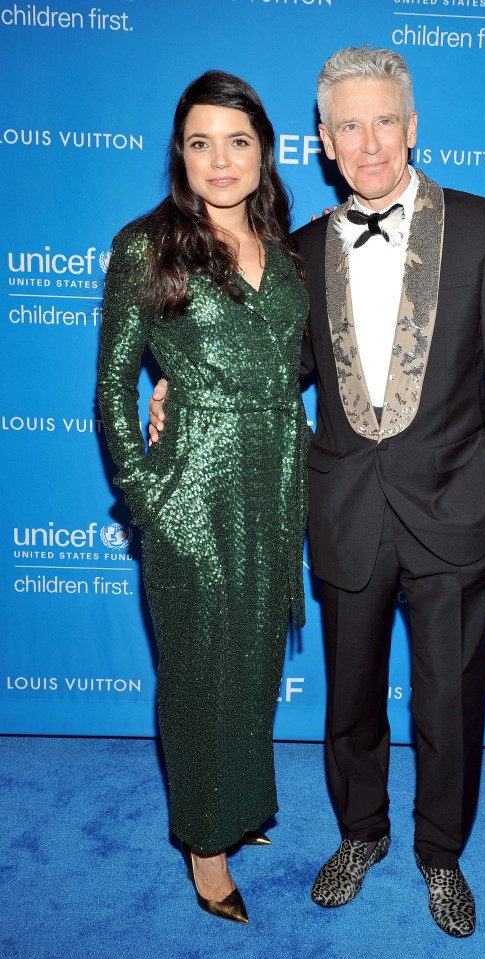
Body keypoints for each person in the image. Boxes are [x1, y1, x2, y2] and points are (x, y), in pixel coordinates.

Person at [151, 46, 485, 938]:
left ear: (413, 127)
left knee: (447, 700)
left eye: (385, 121)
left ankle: (439, 853)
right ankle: (359, 834)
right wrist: (183, 381)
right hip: (344, 512)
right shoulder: (297, 251)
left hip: (456, 512)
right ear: (323, 141)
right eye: (349, 126)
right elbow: (270, 366)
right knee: (350, 700)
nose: (369, 143)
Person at [98, 70, 309, 925]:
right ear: (178, 156)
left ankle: (238, 800)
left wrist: (217, 386)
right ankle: (204, 843)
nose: (219, 160)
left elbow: (289, 363)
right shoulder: (146, 245)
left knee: (254, 659)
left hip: (277, 479)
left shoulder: (288, 249)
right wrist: (150, 500)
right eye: (198, 142)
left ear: (264, 150)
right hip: (192, 490)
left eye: (237, 140)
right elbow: (113, 389)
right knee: (195, 671)